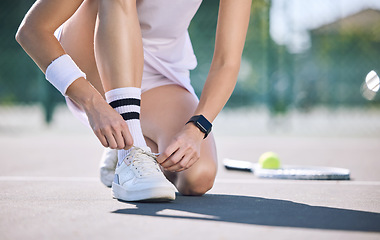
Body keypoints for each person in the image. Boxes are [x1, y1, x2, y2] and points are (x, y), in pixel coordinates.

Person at [16, 0, 252, 202]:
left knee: (197, 176)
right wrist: (92, 103)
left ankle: (131, 143)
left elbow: (226, 62)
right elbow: (32, 31)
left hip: (159, 71)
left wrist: (197, 129)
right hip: (90, 57)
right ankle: (131, 151)